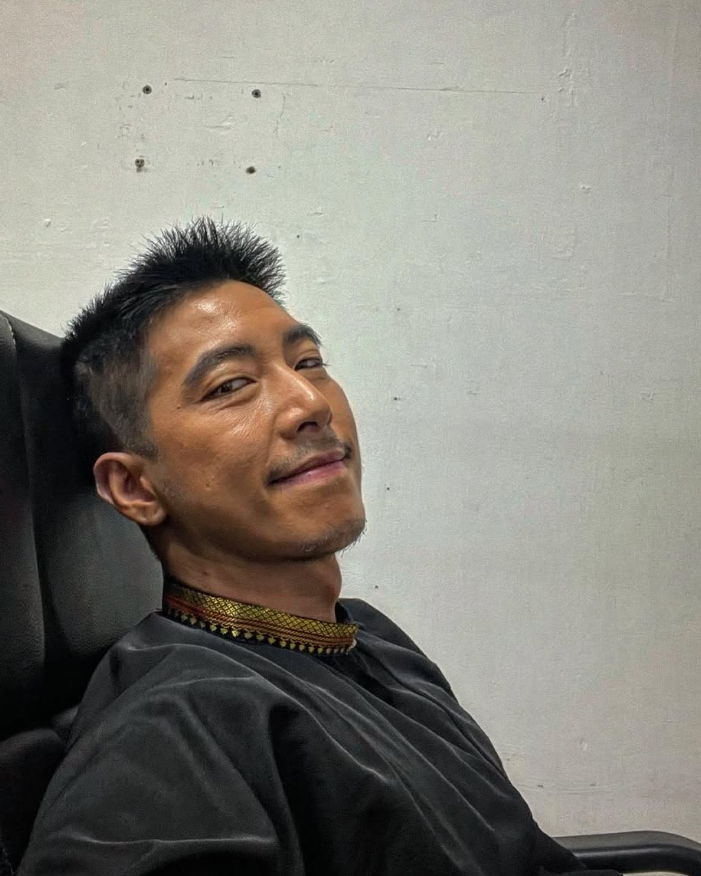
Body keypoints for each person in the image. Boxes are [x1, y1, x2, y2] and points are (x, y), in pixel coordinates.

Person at [19, 218, 619, 876]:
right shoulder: (172, 735)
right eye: (230, 386)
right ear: (135, 487)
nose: (309, 402)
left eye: (308, 363)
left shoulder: (371, 640)